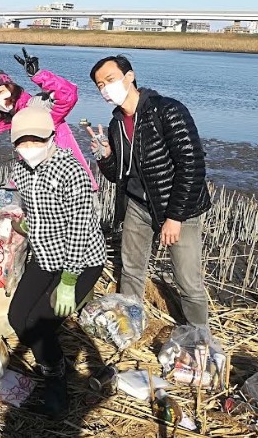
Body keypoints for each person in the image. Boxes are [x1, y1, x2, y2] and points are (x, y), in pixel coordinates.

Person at [88, 55, 211, 328]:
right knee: (131, 270)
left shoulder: (167, 110)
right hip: (138, 206)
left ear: (129, 77)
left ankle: (200, 340)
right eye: (100, 86)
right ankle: (130, 328)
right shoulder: (116, 123)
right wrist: (105, 156)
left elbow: (192, 165)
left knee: (188, 281)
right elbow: (118, 176)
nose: (106, 89)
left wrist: (175, 217)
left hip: (179, 208)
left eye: (110, 80)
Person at [7, 107, 106, 419]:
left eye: (37, 139)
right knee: (18, 316)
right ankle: (52, 362)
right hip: (46, 256)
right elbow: (31, 210)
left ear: (51, 137)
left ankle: (56, 385)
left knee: (41, 322)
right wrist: (25, 225)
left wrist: (69, 280)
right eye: (22, 141)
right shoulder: (22, 170)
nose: (30, 146)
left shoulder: (70, 170)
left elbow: (81, 227)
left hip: (82, 260)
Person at [0, 47, 98, 191]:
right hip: (45, 192)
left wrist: (38, 75)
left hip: (73, 186)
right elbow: (28, 158)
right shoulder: (12, 121)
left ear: (12, 89)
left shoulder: (37, 106)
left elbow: (68, 94)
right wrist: (14, 184)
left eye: (1, 91)